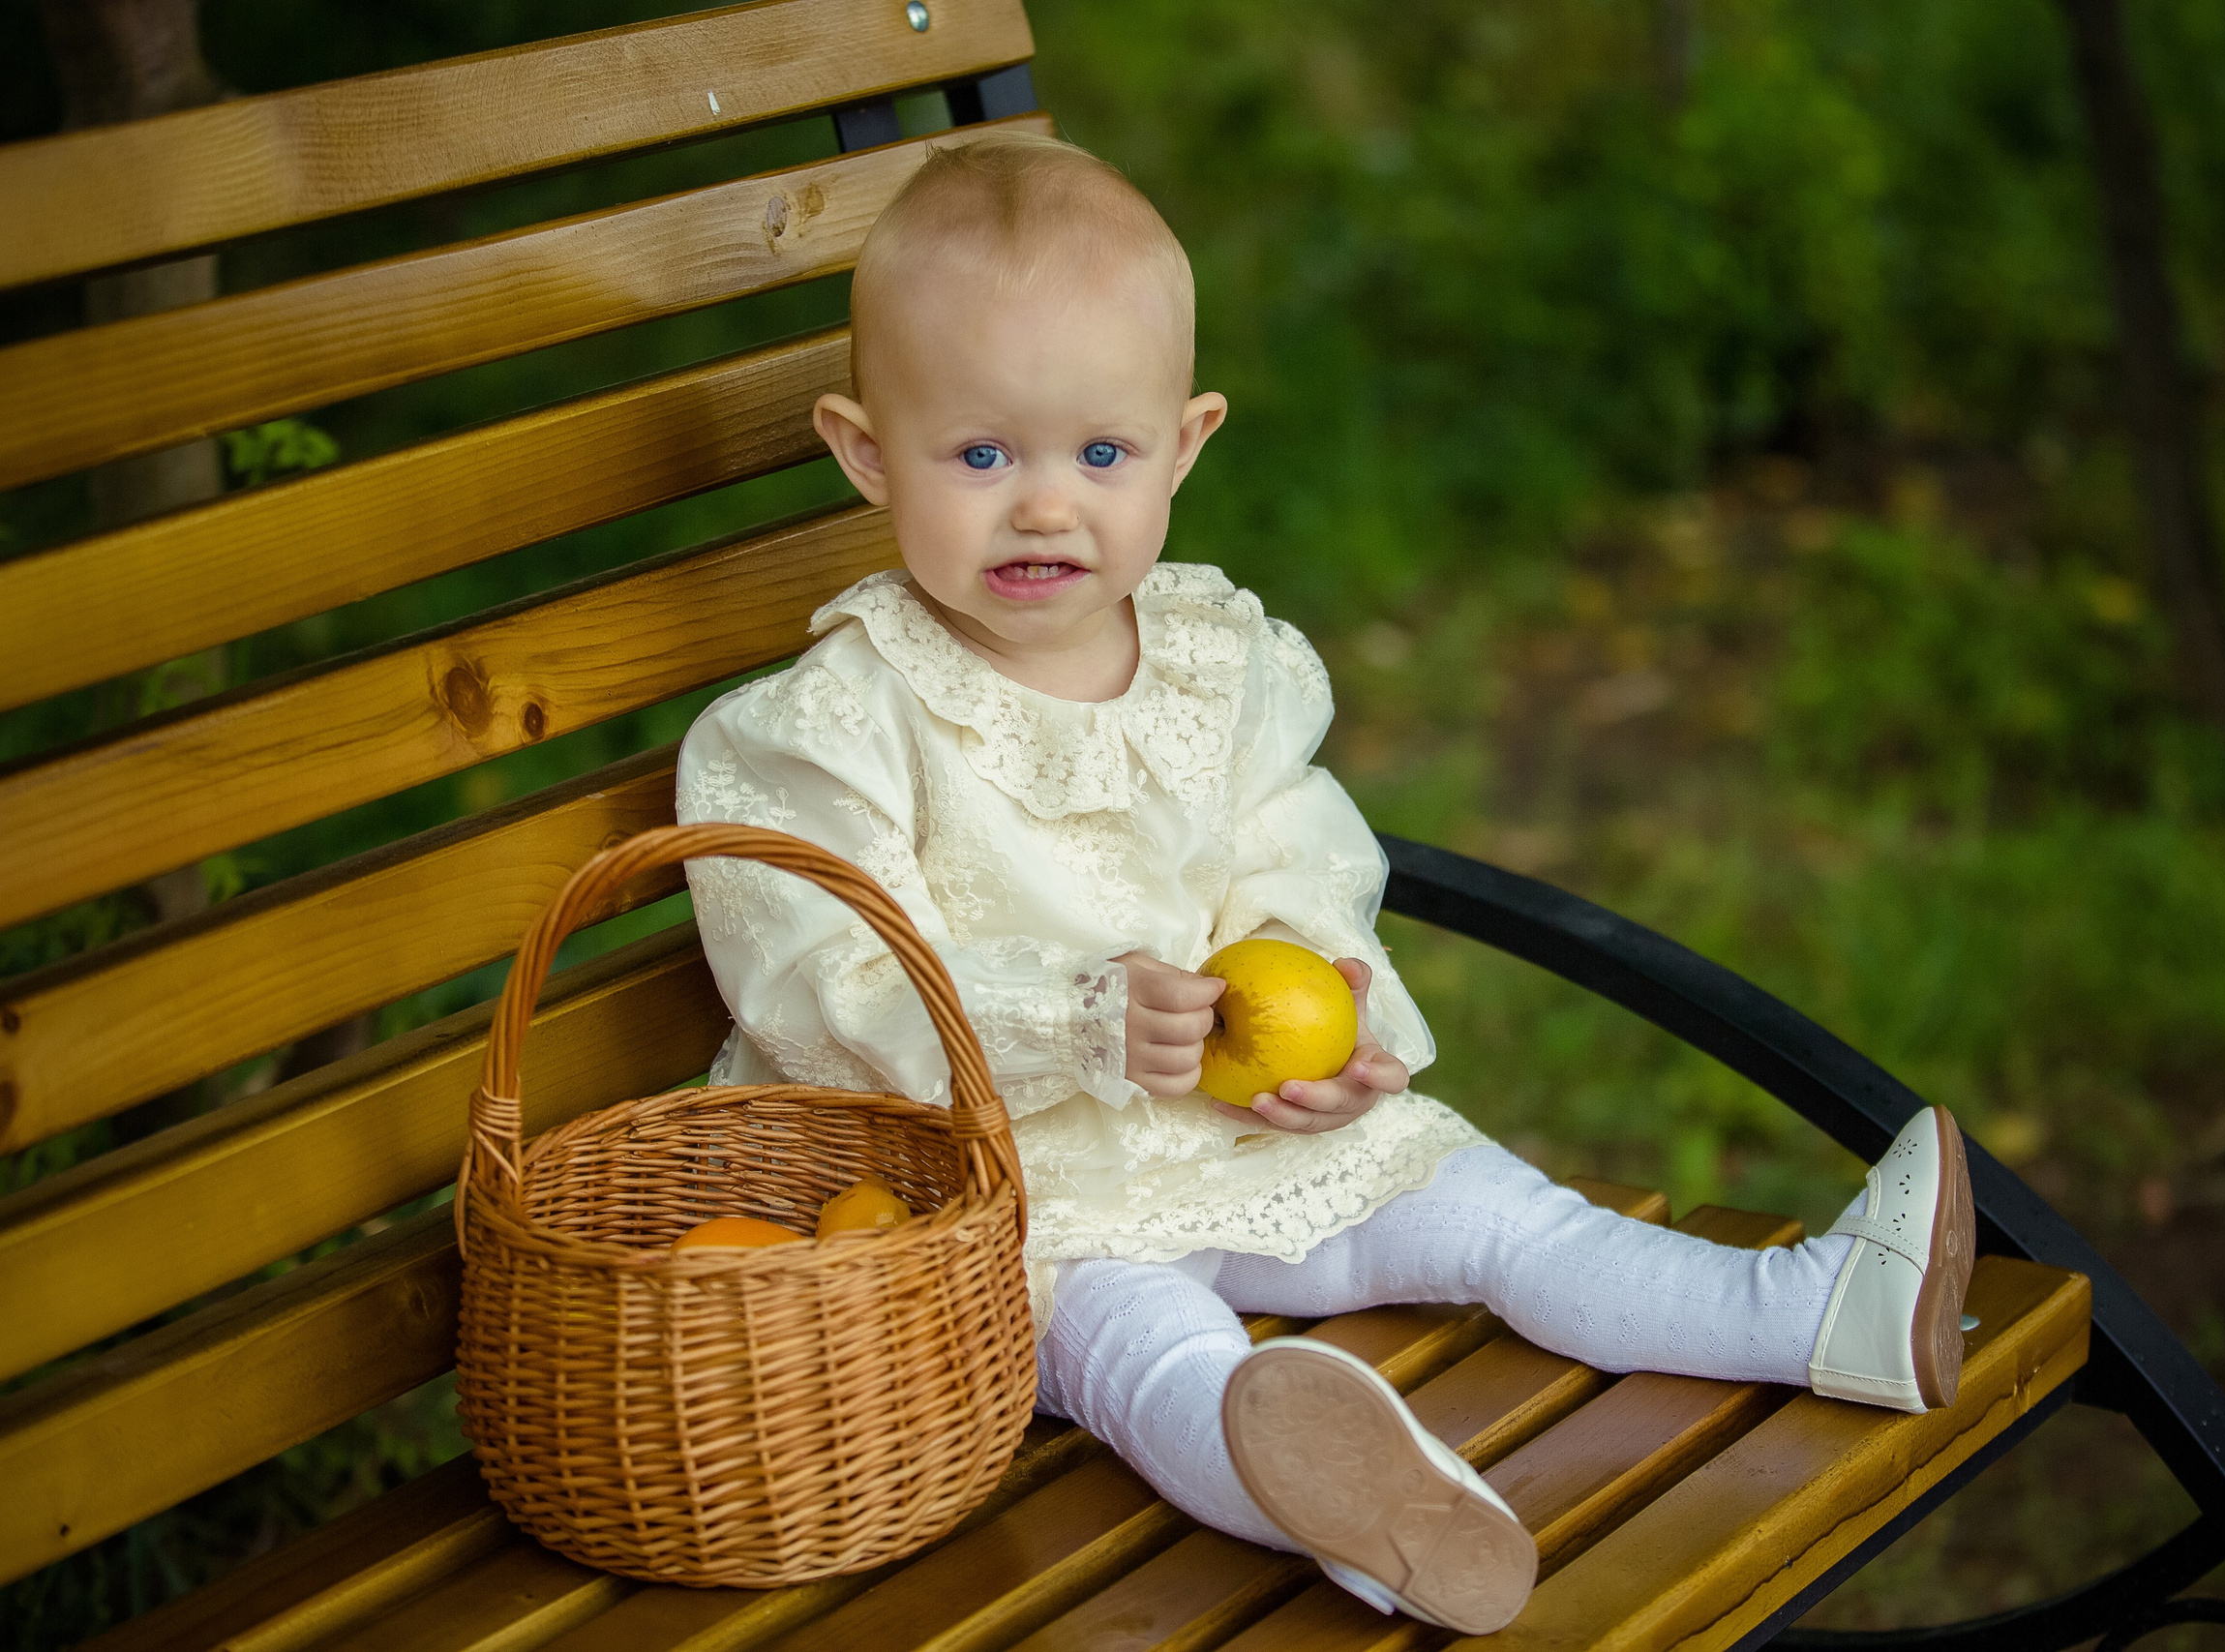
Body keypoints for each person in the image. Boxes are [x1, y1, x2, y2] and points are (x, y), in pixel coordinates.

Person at [677, 131, 1974, 1636]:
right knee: (1144, 1346)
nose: (1045, 507)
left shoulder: (1219, 666)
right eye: (981, 456)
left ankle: (1815, 1314)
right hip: (1006, 1197)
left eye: (1100, 454)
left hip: (1233, 1135)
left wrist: (1321, 995)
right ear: (863, 453)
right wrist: (1075, 1020)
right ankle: (1368, 1507)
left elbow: (1300, 851)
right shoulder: (831, 727)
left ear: (1185, 443)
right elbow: (817, 979)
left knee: (1498, 1215)